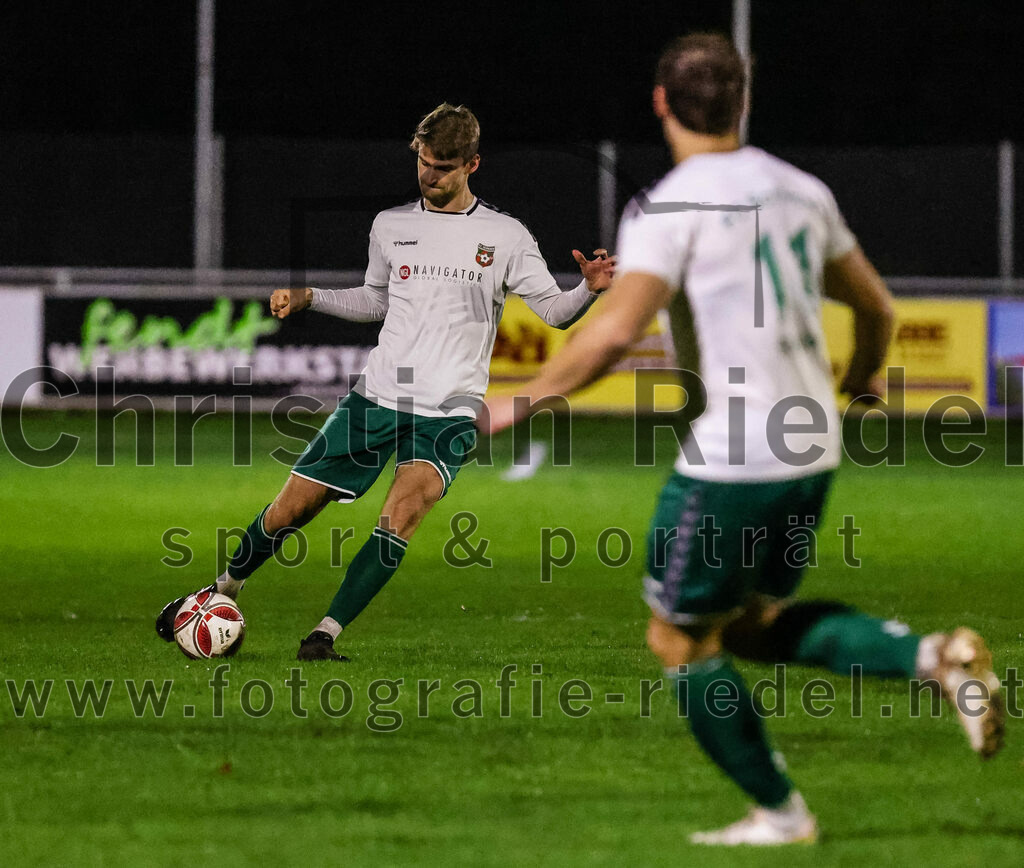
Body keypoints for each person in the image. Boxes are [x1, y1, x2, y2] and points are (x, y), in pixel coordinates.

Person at [482, 34, 1004, 846]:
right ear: (744, 101)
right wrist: (861, 378)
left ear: (661, 103)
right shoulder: (801, 191)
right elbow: (876, 308)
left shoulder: (668, 206)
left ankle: (781, 814)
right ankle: (935, 659)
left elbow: (615, 330)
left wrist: (516, 402)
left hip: (737, 453)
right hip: (811, 445)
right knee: (751, 624)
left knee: (676, 637)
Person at [155, 103, 616, 661]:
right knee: (290, 510)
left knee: (403, 514)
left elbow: (554, 312)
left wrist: (588, 289)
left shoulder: (506, 236)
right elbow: (375, 300)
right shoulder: (391, 226)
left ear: (472, 164)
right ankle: (221, 591)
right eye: (423, 162)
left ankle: (324, 635)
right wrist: (312, 297)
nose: (429, 175)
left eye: (443, 167)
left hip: (449, 410)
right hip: (376, 397)